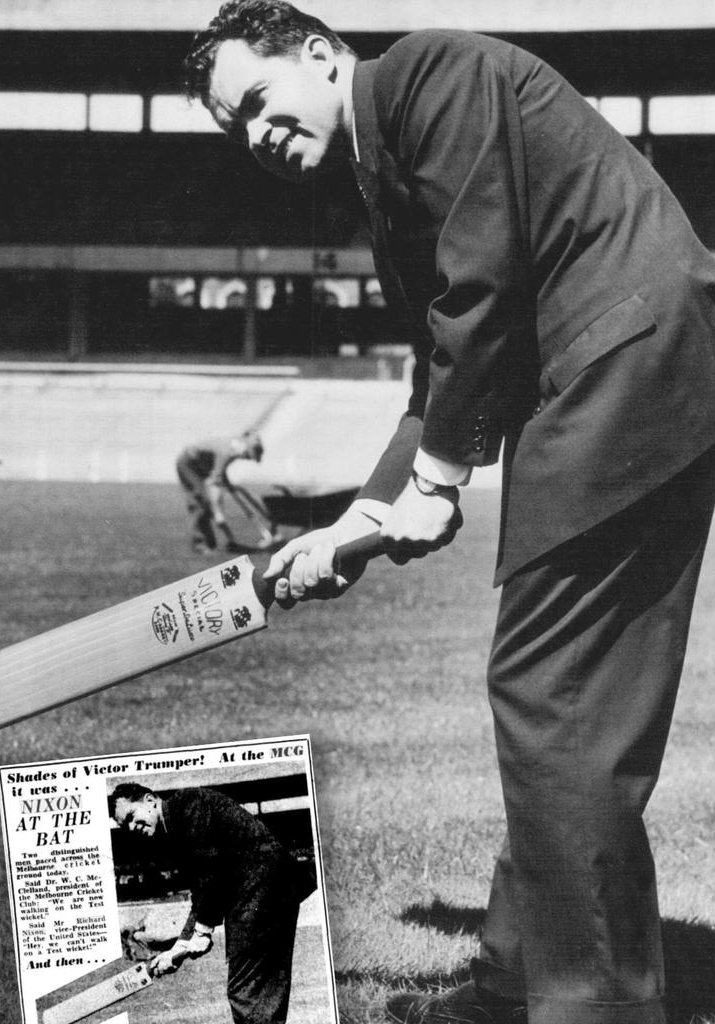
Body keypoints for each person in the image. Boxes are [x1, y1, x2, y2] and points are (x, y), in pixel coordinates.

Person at [181, 5, 715, 1024]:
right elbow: (441, 383)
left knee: (550, 701)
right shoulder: (389, 178)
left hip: (620, 364)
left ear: (319, 55)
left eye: (257, 100)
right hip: (631, 373)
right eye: (231, 129)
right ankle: (513, 985)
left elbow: (486, 287)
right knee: (564, 709)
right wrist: (353, 525)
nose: (254, 135)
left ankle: (589, 1008)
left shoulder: (434, 76)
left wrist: (432, 486)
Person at [109, 782, 315, 1024]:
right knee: (258, 992)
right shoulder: (175, 826)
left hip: (261, 891)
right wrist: (179, 947)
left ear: (150, 801)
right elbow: (202, 893)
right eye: (126, 826)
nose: (133, 827)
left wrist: (202, 932)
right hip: (264, 893)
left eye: (132, 816)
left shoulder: (187, 805)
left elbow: (212, 872)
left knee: (247, 993)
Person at [176, 430, 276, 552]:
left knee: (205, 503)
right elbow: (216, 479)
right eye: (249, 457)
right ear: (246, 450)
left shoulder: (234, 447)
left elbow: (218, 469)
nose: (247, 459)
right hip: (188, 463)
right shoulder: (227, 452)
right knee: (199, 502)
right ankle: (200, 545)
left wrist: (227, 484)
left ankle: (212, 544)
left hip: (201, 464)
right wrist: (218, 511)